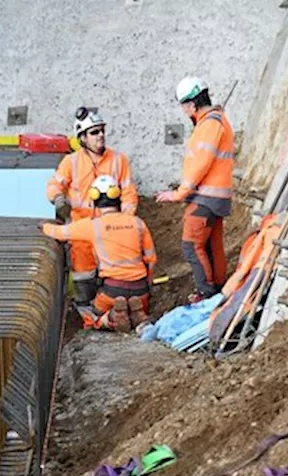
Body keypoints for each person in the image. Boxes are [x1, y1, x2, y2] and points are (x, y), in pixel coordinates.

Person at [43, 176, 157, 332]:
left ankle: (111, 316)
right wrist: (148, 287)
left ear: (94, 201)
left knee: (92, 319)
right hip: (140, 288)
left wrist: (44, 226)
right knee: (138, 301)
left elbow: (59, 233)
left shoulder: (92, 225)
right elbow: (151, 259)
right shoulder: (137, 222)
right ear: (118, 198)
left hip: (112, 290)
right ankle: (136, 313)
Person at [156, 77, 234, 302]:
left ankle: (206, 295)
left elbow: (201, 162)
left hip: (205, 197)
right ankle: (218, 288)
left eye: (183, 106)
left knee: (191, 245)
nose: (184, 111)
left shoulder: (210, 124)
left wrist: (180, 192)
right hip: (216, 197)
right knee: (211, 245)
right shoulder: (216, 121)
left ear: (191, 104)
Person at [46, 108, 139, 223]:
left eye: (102, 131)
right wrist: (58, 198)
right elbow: (54, 184)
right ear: (83, 138)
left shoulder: (119, 160)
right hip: (79, 227)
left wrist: (125, 219)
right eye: (94, 132)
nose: (101, 135)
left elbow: (128, 193)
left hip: (108, 227)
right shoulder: (71, 161)